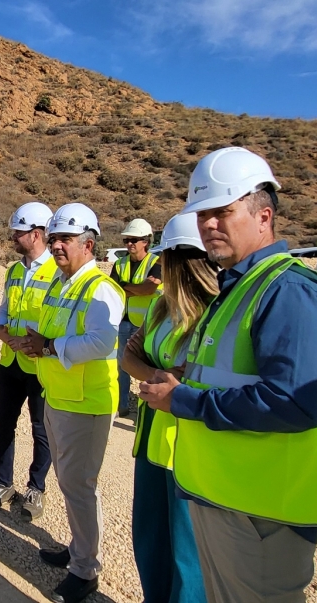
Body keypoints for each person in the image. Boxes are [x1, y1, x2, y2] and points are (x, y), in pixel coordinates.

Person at [139, 147, 317, 602]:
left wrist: (183, 400)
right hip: (228, 499)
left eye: (223, 211)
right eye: (203, 214)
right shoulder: (236, 289)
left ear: (263, 215)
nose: (209, 224)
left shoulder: (287, 289)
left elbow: (294, 402)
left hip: (264, 513)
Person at [22, 203, 124, 603]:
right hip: (59, 397)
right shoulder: (61, 284)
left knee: (80, 487)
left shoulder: (100, 289)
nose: (57, 246)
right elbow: (53, 332)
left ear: (89, 243)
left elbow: (102, 341)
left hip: (87, 403)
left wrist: (48, 345)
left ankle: (85, 570)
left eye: (65, 239)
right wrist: (36, 342)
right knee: (69, 484)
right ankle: (78, 548)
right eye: (54, 239)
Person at [120, 212, 214, 603]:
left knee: (187, 555)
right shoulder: (162, 304)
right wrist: (160, 375)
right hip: (152, 441)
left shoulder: (218, 310)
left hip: (188, 449)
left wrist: (160, 378)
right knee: (150, 537)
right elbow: (129, 354)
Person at [0, 201, 55, 521]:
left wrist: (42, 344)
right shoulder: (13, 270)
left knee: (42, 430)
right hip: (10, 361)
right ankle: (3, 483)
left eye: (19, 232)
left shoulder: (58, 273)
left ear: (36, 234)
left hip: (40, 366)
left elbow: (58, 318)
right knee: (3, 424)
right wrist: (2, 331)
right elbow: (4, 310)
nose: (13, 236)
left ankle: (36, 488)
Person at [111, 218, 161, 418]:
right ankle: (121, 406)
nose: (130, 244)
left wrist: (125, 287)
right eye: (127, 240)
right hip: (124, 322)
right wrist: (136, 290)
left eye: (134, 240)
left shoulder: (156, 263)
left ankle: (149, 409)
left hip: (147, 325)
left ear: (146, 242)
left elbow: (149, 288)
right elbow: (114, 290)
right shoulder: (119, 263)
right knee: (121, 367)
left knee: (149, 369)